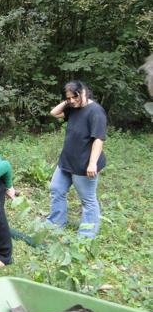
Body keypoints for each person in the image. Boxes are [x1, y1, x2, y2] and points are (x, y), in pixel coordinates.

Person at [47, 80, 107, 239]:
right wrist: (69, 101)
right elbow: (54, 113)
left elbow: (98, 139)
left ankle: (87, 235)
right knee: (56, 189)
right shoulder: (73, 108)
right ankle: (56, 223)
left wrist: (93, 163)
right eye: (69, 98)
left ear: (84, 92)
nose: (72, 101)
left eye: (75, 97)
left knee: (88, 201)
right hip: (66, 161)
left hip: (84, 165)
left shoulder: (96, 111)